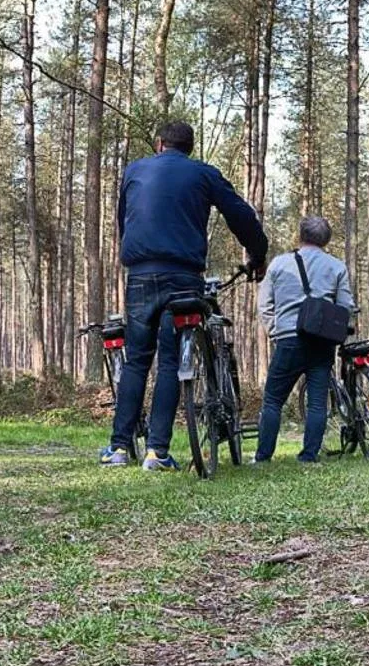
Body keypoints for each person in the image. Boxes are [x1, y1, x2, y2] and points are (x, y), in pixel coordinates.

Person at [100, 121, 269, 471]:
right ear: (189, 147)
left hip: (141, 275)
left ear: (159, 143)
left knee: (136, 361)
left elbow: (124, 223)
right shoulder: (204, 174)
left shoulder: (134, 170)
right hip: (183, 276)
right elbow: (241, 215)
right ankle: (157, 452)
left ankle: (118, 449)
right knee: (170, 362)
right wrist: (257, 254)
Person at [254, 215, 354, 464]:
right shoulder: (336, 267)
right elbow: (345, 306)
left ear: (300, 235)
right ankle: (308, 455)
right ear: (327, 240)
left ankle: (263, 457)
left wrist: (275, 330)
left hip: (288, 339)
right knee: (317, 403)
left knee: (273, 400)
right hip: (321, 342)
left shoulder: (279, 264)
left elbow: (264, 304)